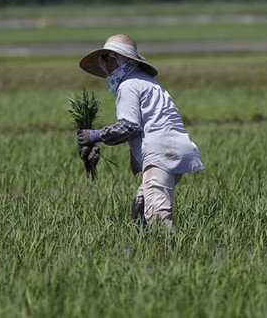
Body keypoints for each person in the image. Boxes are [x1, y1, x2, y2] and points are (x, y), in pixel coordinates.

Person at [76, 34, 205, 229]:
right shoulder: (145, 81)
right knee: (140, 207)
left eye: (110, 59)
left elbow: (129, 126)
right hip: (175, 150)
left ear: (123, 60)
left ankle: (170, 254)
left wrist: (96, 135)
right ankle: (144, 248)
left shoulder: (129, 86)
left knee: (156, 215)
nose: (107, 65)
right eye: (104, 60)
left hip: (160, 154)